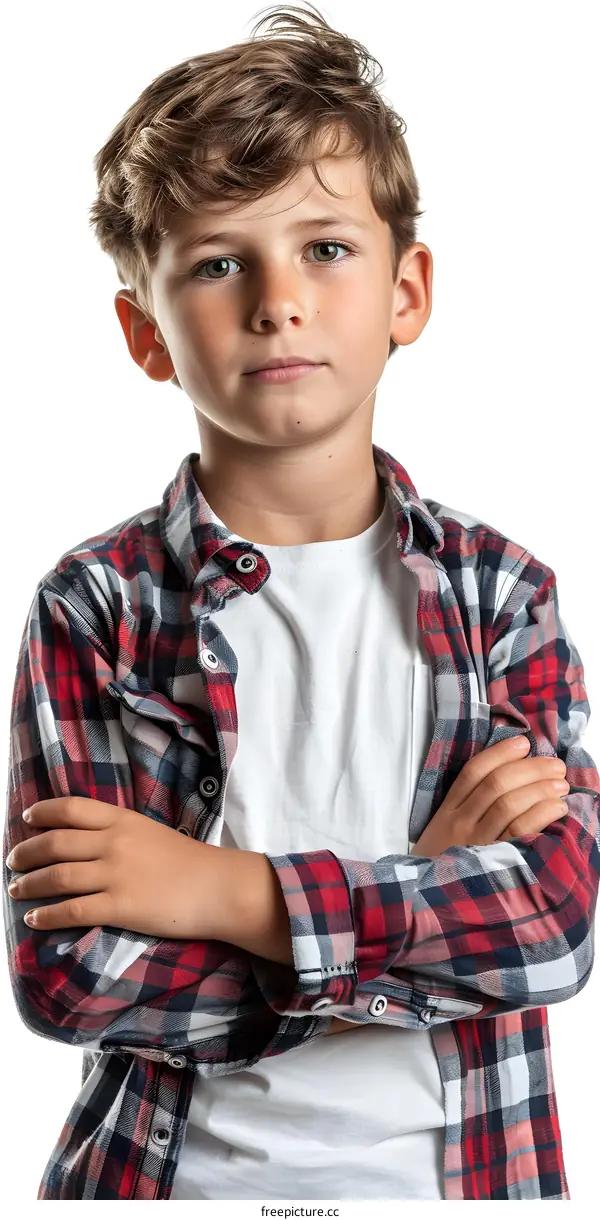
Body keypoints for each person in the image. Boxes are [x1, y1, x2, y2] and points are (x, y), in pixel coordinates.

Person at [3, 2, 598, 1203]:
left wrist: (223, 891)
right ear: (146, 332)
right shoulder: (96, 607)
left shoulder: (502, 594)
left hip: (465, 1186)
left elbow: (552, 926)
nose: (278, 300)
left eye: (325, 248)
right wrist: (422, 881)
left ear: (406, 292)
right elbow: (75, 976)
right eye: (220, 263)